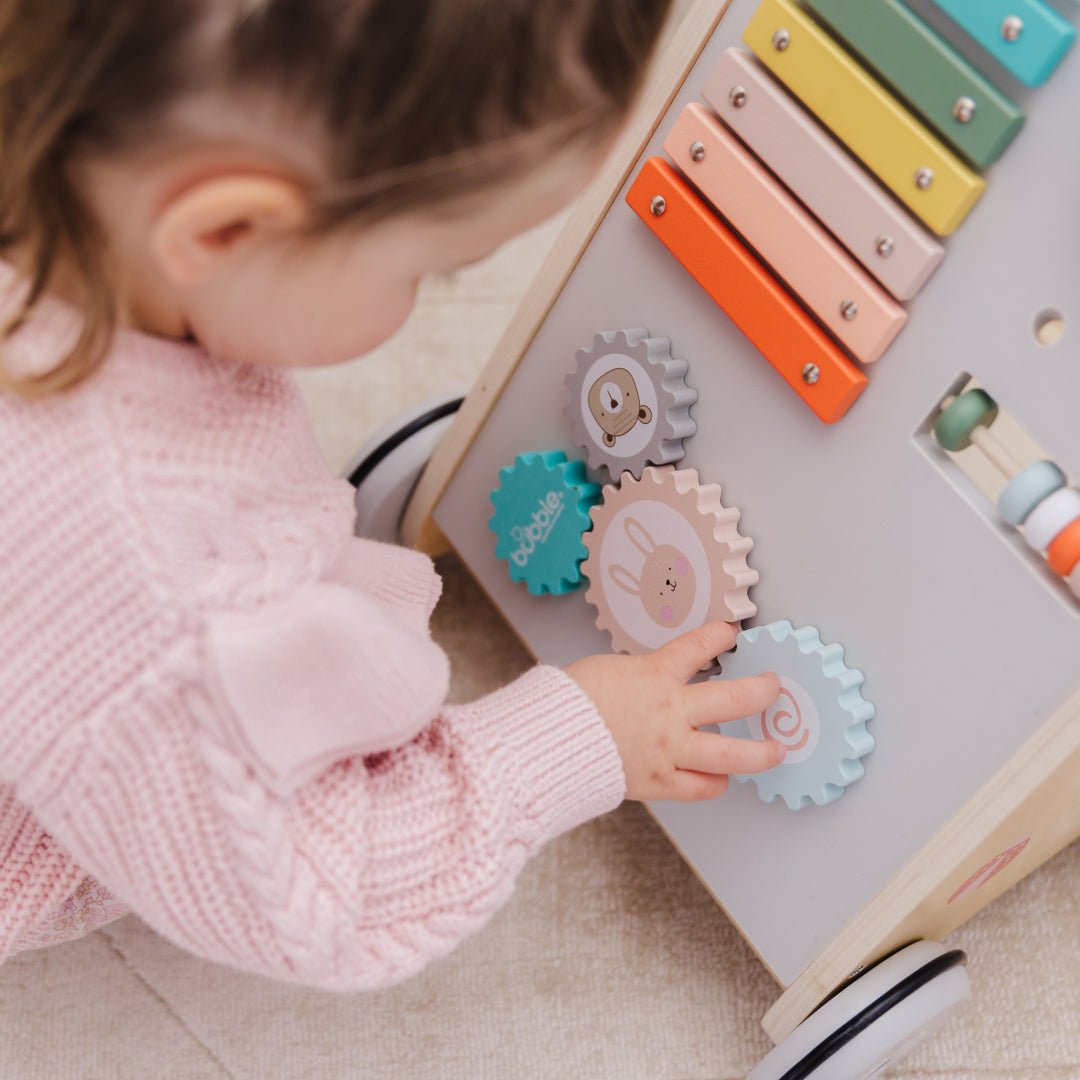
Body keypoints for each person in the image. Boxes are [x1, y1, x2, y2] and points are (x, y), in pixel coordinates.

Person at [0, 0, 784, 986]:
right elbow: (314, 895)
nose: (423, 299)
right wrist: (577, 737)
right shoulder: (162, 588)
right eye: (435, 272)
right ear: (225, 227)